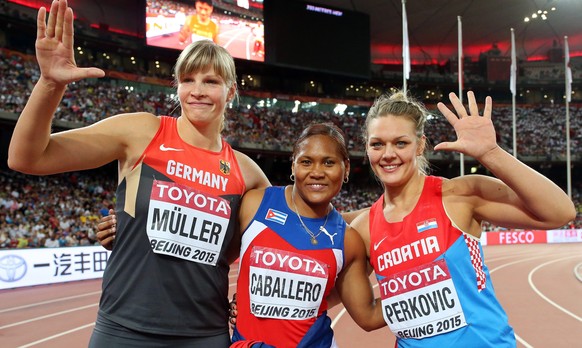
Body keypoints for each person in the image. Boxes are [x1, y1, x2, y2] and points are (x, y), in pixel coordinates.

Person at [8, 1, 269, 347]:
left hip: (204, 335)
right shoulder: (141, 132)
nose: (198, 90)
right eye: (187, 79)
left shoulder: (247, 172)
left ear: (231, 92)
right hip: (123, 329)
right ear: (176, 86)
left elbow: (265, 242)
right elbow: (28, 158)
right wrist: (50, 84)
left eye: (211, 81)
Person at [349, 90, 576, 347]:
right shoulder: (365, 228)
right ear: (367, 148)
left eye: (400, 143)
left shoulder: (459, 196)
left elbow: (560, 213)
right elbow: (367, 316)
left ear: (420, 144)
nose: (388, 154)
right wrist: (419, 294)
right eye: (377, 144)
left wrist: (491, 153)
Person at [230, 123, 385, 347]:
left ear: (346, 168)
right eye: (306, 161)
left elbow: (368, 316)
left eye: (329, 162)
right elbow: (217, 262)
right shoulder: (255, 204)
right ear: (293, 166)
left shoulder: (347, 240)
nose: (317, 172)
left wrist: (421, 296)